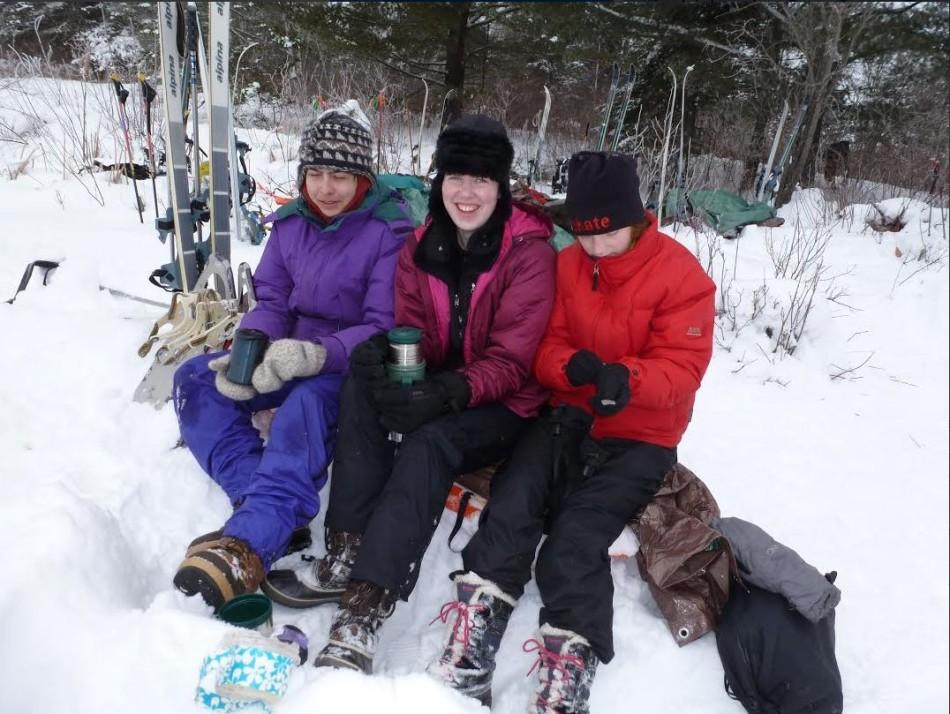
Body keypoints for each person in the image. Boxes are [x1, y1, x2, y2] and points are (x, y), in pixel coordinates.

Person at [262, 114, 558, 675]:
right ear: (438, 180)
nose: (466, 194)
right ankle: (346, 548)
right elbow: (412, 327)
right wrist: (393, 365)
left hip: (505, 404)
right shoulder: (423, 244)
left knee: (429, 442)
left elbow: (514, 362)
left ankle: (366, 606)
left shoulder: (529, 253)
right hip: (445, 382)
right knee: (359, 390)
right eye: (455, 178)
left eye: (481, 181)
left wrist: (445, 393)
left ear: (500, 186)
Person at [426, 151, 716, 712]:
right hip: (568, 414)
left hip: (642, 434)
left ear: (635, 218)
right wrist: (571, 368)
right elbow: (544, 349)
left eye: (607, 234)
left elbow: (683, 370)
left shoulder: (682, 277)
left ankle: (568, 672)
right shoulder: (567, 266)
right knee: (512, 505)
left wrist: (625, 379)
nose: (595, 248)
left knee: (577, 537)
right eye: (583, 235)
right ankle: (472, 644)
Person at [171, 101, 415, 611]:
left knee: (304, 410)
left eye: (340, 176)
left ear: (362, 178)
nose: (326, 188)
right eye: (317, 173)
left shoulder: (389, 233)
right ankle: (260, 501)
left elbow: (381, 326)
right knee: (198, 380)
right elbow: (273, 299)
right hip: (284, 350)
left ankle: (250, 544)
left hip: (348, 366)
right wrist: (249, 348)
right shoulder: (289, 224)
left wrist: (312, 355)